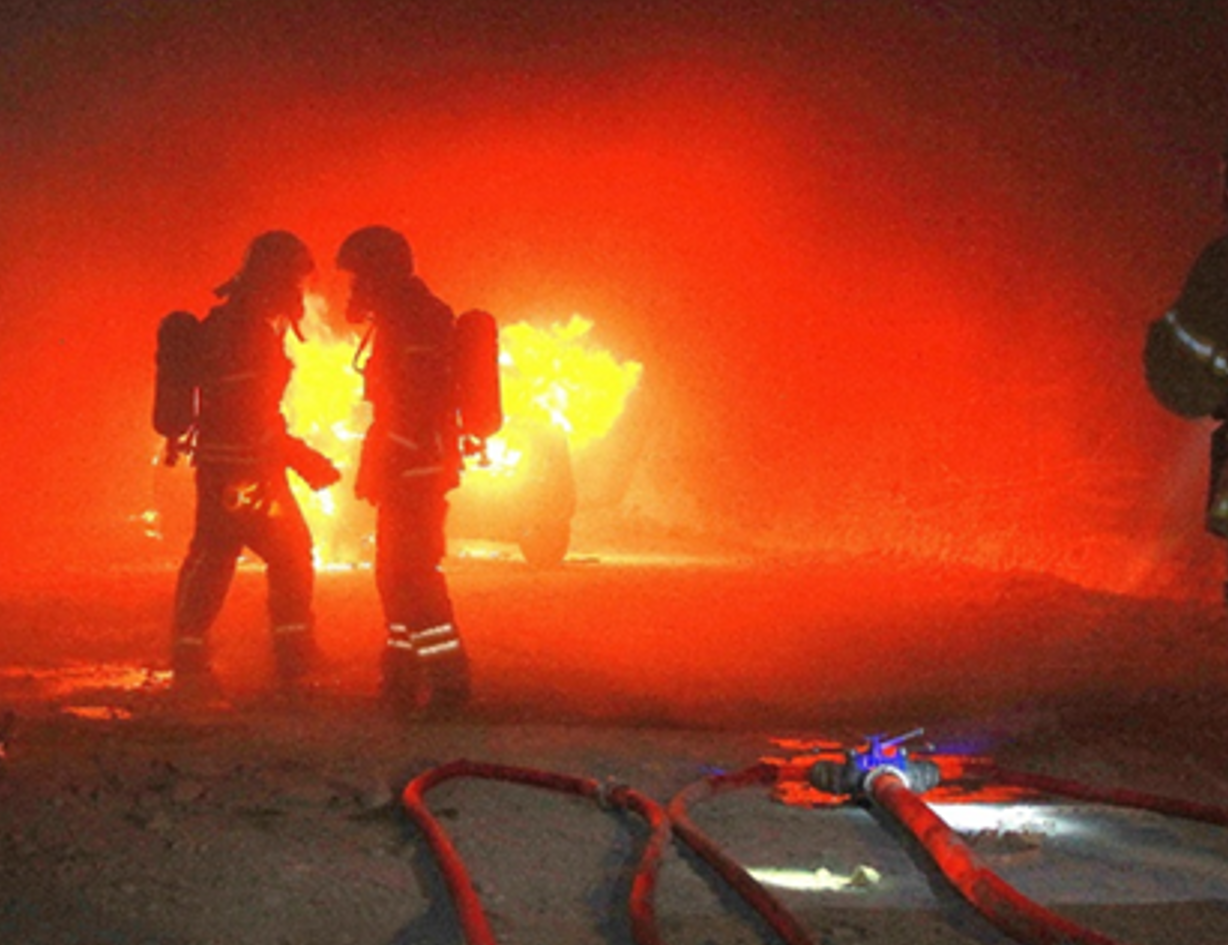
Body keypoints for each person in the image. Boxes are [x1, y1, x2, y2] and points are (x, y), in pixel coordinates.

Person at [169, 231, 340, 693]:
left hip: (230, 467)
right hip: (245, 473)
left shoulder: (235, 324)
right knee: (283, 553)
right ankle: (292, 658)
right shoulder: (244, 332)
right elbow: (248, 413)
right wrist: (301, 458)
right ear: (276, 276)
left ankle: (192, 655)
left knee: (218, 554)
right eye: (294, 279)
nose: (299, 291)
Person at [335, 225, 472, 714]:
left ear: (381, 273)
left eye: (358, 277)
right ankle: (400, 679)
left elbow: (415, 404)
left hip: (416, 469)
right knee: (394, 576)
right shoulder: (402, 318)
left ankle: (449, 684)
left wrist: (386, 458)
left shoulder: (415, 320)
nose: (353, 289)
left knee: (412, 576)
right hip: (406, 467)